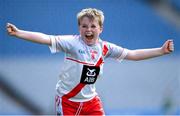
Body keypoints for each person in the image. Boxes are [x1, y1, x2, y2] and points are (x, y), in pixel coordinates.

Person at [6, 8, 174, 115]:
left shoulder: (105, 48)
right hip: (67, 101)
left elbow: (133, 54)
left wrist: (161, 50)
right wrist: (19, 33)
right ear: (79, 28)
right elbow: (45, 39)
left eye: (93, 26)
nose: (88, 30)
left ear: (100, 29)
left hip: (91, 102)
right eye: (84, 26)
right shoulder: (72, 43)